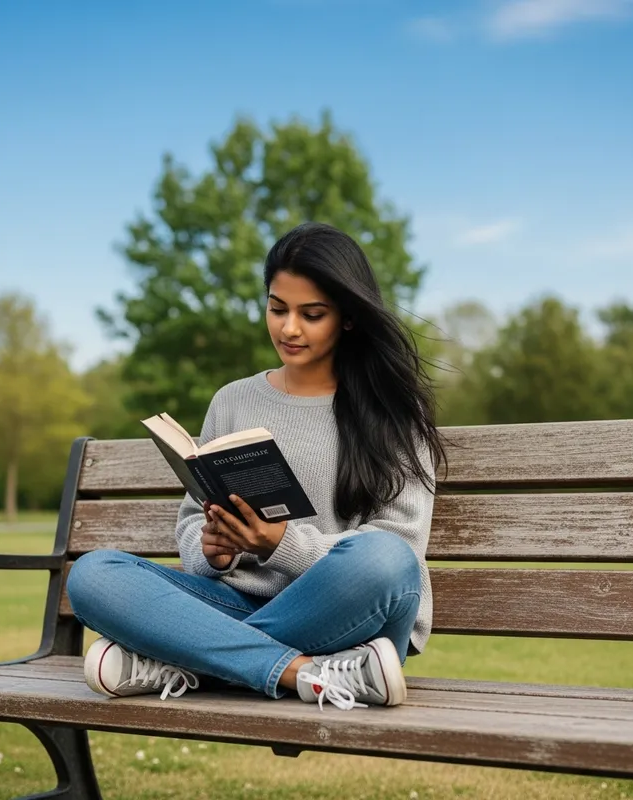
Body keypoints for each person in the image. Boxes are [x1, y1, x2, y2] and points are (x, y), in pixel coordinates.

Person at [66, 222, 444, 711]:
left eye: (312, 314)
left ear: (348, 318)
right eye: (277, 308)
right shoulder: (233, 400)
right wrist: (213, 549)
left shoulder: (393, 412)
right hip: (235, 602)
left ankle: (189, 661)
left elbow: (402, 548)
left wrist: (278, 544)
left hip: (343, 613)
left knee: (386, 559)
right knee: (93, 574)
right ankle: (302, 672)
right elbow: (192, 519)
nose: (289, 329)